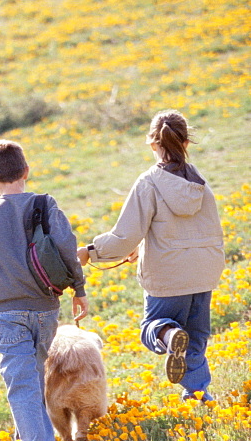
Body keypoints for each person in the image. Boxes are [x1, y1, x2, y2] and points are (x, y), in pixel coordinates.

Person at [0, 139, 88, 441]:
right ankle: (28, 434)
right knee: (32, 377)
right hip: (46, 308)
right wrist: (79, 289)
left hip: (6, 313)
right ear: (26, 171)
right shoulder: (46, 205)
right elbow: (67, 247)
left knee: (22, 387)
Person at [78, 110, 225, 400]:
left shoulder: (150, 182)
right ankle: (198, 393)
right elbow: (194, 229)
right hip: (205, 270)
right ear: (186, 142)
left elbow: (124, 237)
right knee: (195, 338)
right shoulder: (199, 181)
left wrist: (90, 252)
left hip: (169, 275)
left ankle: (169, 336)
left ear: (152, 143)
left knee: (153, 328)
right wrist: (145, 246)